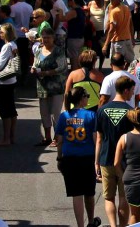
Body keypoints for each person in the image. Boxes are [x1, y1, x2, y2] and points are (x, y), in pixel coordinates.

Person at [54, 88, 99, 227]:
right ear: (81, 99)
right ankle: (91, 221)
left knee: (76, 193)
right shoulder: (91, 115)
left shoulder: (64, 116)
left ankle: (80, 225)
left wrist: (59, 157)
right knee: (89, 192)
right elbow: (95, 139)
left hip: (69, 158)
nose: (88, 98)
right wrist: (97, 161)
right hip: (87, 157)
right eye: (87, 96)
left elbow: (59, 140)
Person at [95, 76, 135, 227]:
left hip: (106, 158)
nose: (132, 94)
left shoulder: (102, 110)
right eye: (131, 91)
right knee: (124, 197)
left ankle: (112, 225)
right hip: (125, 161)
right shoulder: (131, 112)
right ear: (125, 91)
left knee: (109, 197)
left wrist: (96, 161)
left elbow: (99, 138)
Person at [32, 26, 69, 146]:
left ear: (53, 38)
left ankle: (57, 138)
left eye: (48, 37)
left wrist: (46, 73)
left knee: (56, 113)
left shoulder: (58, 51)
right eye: (44, 38)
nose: (46, 40)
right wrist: (33, 70)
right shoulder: (38, 50)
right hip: (42, 86)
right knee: (44, 113)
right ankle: (47, 137)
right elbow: (34, 64)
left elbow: (62, 67)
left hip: (56, 86)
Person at [0, 23, 19, 146]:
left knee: (5, 110)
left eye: (1, 32)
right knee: (11, 109)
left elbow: (0, 63)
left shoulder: (7, 46)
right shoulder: (13, 45)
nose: (0, 34)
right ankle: (11, 137)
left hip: (3, 80)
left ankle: (6, 138)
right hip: (11, 79)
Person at [104, 0, 135, 64]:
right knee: (131, 63)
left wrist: (105, 45)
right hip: (127, 40)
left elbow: (112, 29)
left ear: (118, 0)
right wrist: (132, 38)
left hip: (117, 41)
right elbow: (131, 24)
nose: (110, 0)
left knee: (116, 64)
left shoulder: (114, 12)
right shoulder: (126, 8)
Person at [87, 0, 108, 69]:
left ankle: (100, 67)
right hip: (92, 30)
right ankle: (93, 66)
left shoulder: (104, 3)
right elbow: (88, 16)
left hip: (102, 30)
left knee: (101, 50)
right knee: (92, 49)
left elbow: (107, 16)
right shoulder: (90, 3)